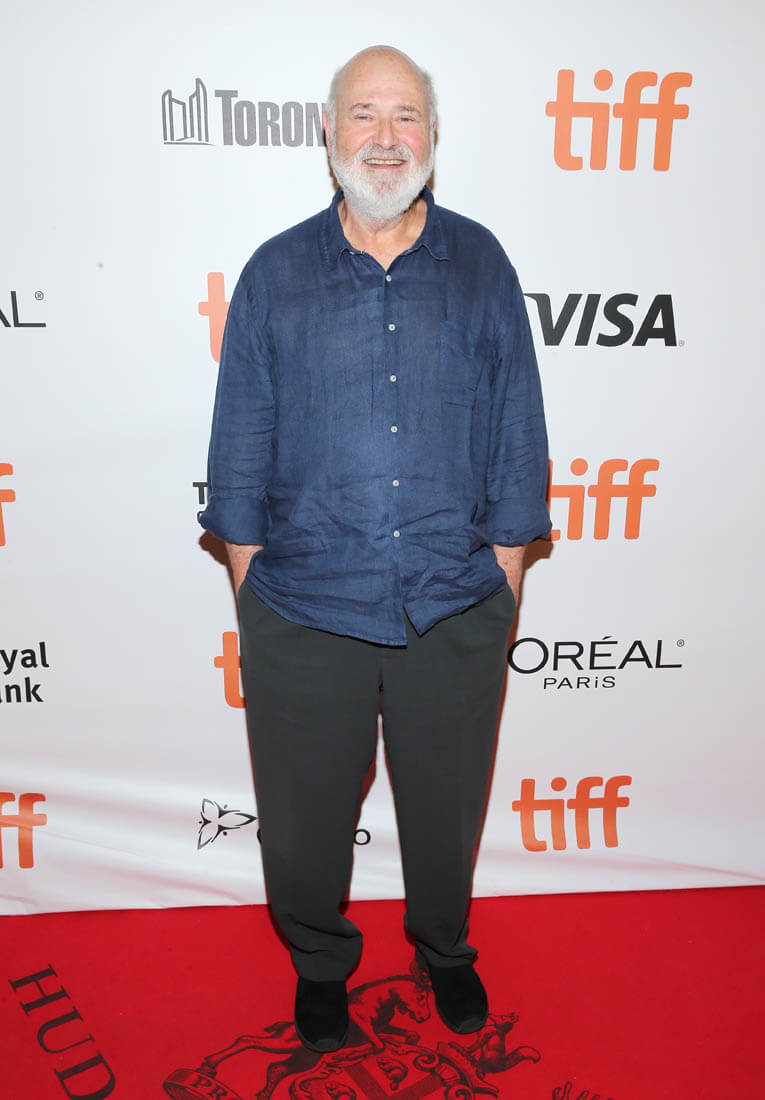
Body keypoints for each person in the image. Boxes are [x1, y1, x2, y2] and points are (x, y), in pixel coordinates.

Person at [199, 44, 551, 1053]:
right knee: (304, 817)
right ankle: (320, 964)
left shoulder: (481, 264)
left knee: (446, 807)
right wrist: (254, 588)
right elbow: (239, 449)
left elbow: (517, 430)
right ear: (329, 132)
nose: (385, 137)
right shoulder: (275, 273)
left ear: (433, 136)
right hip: (305, 607)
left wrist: (504, 576)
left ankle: (444, 946)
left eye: (406, 116)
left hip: (453, 602)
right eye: (364, 114)